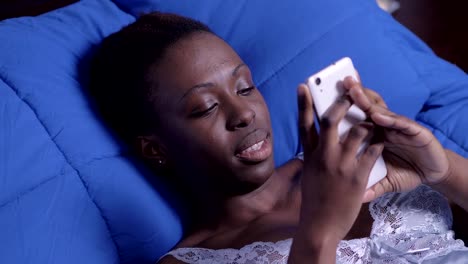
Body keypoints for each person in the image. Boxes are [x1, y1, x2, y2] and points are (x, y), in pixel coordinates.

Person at [88, 12, 468, 263]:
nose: (244, 114)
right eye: (205, 107)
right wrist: (320, 233)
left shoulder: (354, 161)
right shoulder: (190, 260)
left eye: (245, 87)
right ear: (156, 149)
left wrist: (439, 169)